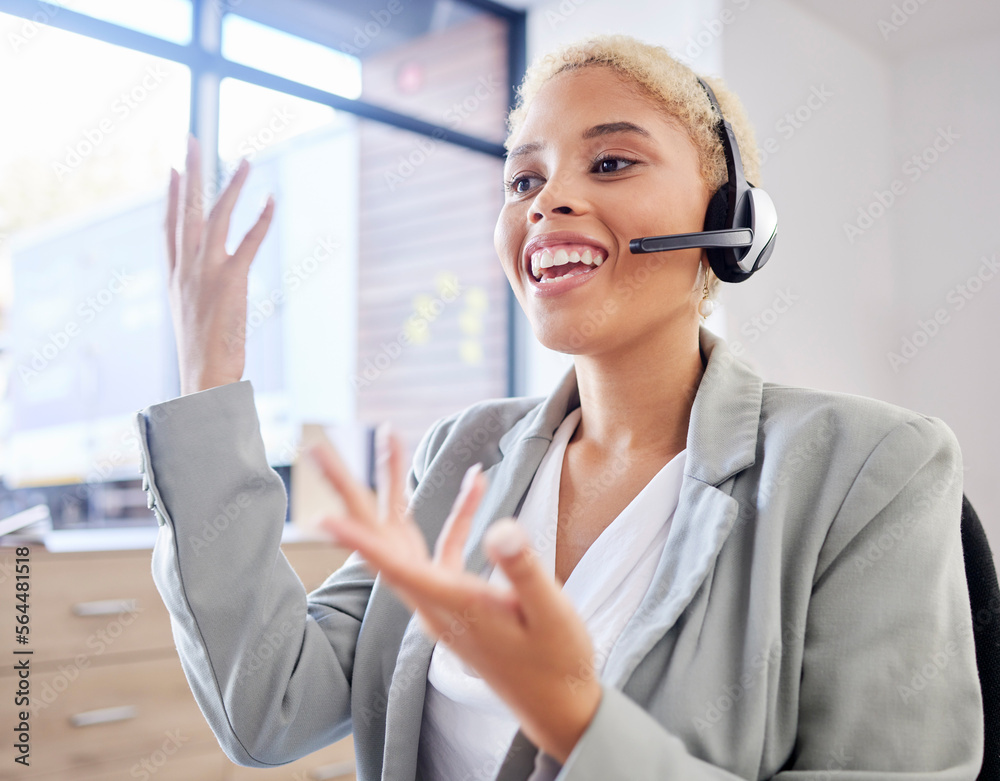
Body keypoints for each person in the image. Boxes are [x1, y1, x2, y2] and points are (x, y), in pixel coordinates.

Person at [134, 34, 984, 780]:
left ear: (729, 219)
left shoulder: (871, 467)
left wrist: (579, 720)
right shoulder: (462, 451)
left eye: (610, 162)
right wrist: (210, 374)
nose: (546, 201)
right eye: (523, 178)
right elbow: (268, 702)